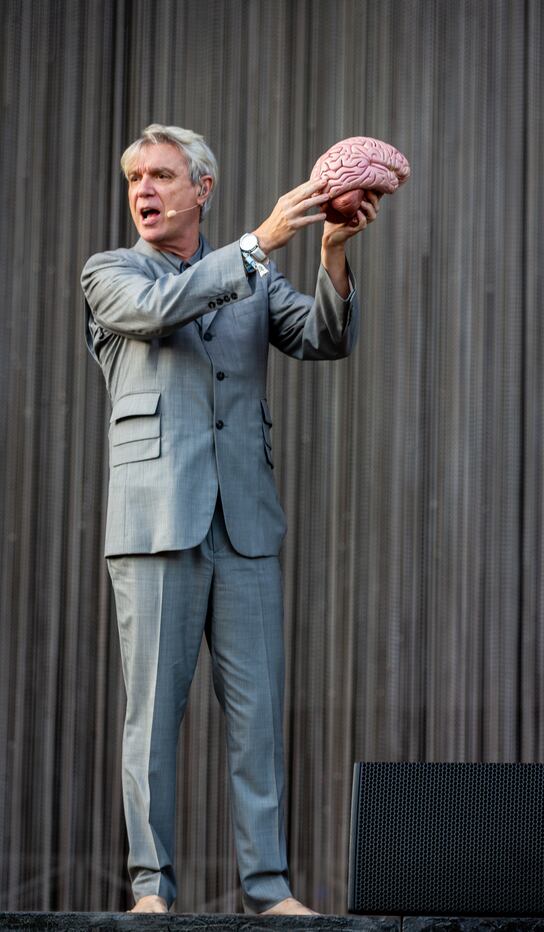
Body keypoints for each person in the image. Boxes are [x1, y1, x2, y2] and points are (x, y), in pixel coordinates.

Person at [81, 124, 379, 915]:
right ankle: (151, 891)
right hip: (154, 529)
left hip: (243, 526)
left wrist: (331, 255)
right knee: (152, 721)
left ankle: (269, 890)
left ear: (200, 189)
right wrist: (257, 243)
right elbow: (156, 311)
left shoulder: (252, 279)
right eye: (135, 177)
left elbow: (325, 339)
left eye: (162, 176)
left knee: (258, 723)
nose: (143, 190)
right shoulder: (109, 273)